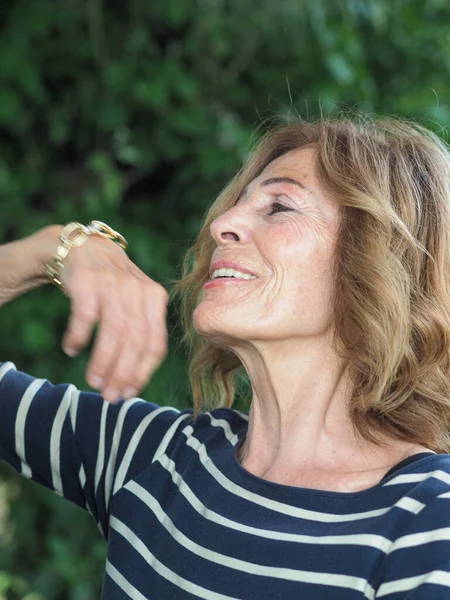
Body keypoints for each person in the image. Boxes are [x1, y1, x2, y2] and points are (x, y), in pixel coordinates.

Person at [1, 116, 450, 599]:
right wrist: (61, 247)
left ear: (379, 261)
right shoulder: (150, 457)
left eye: (279, 206)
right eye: (239, 203)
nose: (222, 224)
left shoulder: (427, 523)